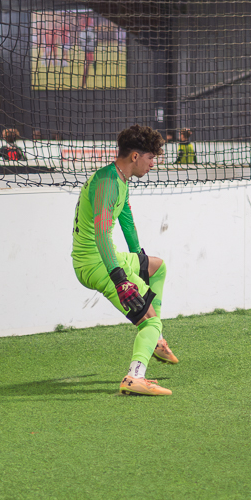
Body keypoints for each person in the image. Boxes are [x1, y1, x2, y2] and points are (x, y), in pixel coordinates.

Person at [72, 124, 176, 397]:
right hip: (96, 263)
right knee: (150, 322)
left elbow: (126, 219)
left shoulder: (120, 178)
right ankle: (135, 376)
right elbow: (101, 234)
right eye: (150, 157)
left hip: (105, 256)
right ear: (135, 156)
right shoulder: (107, 183)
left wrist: (138, 256)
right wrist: (120, 279)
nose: (152, 164)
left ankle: (155, 342)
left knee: (157, 267)